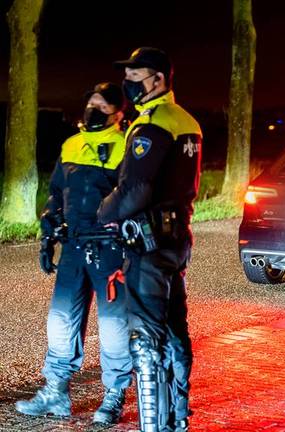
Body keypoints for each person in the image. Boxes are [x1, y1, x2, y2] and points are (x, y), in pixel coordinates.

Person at [97, 47, 201, 432]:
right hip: (176, 240)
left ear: (157, 79)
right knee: (175, 332)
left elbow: (135, 190)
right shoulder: (186, 120)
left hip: (147, 243)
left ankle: (153, 426)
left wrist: (104, 213)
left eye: (135, 75)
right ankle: (178, 419)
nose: (129, 82)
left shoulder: (151, 125)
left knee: (145, 340)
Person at [16, 83, 131, 424]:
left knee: (113, 324)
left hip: (109, 247)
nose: (94, 109)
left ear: (118, 113)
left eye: (102, 105)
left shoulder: (126, 146)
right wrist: (48, 231)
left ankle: (114, 394)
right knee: (61, 319)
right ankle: (56, 390)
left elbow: (134, 195)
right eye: (91, 103)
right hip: (73, 246)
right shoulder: (71, 145)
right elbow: (56, 192)